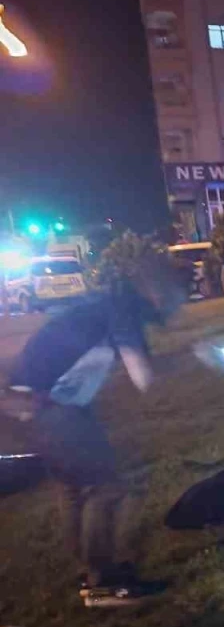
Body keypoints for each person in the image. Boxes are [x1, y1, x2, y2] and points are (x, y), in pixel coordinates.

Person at [4, 254, 186, 604]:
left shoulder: (104, 304)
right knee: (109, 487)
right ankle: (103, 581)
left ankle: (89, 573)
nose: (176, 306)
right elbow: (143, 376)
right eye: (175, 296)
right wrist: (190, 357)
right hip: (49, 407)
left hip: (27, 404)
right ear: (155, 290)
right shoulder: (122, 312)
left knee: (74, 489)